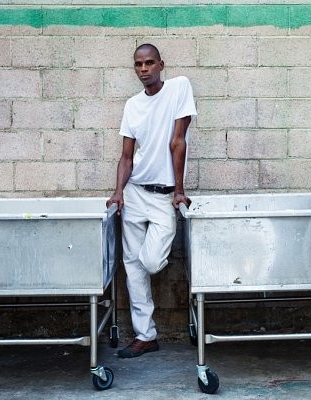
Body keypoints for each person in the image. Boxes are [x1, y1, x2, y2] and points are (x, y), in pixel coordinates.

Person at [106, 43, 196, 358]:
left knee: (150, 261)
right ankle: (146, 335)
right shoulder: (132, 106)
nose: (144, 69)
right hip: (134, 192)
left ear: (160, 64)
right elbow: (126, 156)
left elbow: (178, 141)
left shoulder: (179, 88)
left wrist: (180, 189)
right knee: (131, 266)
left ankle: (148, 332)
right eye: (138, 65)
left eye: (149, 63)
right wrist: (118, 192)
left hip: (163, 196)